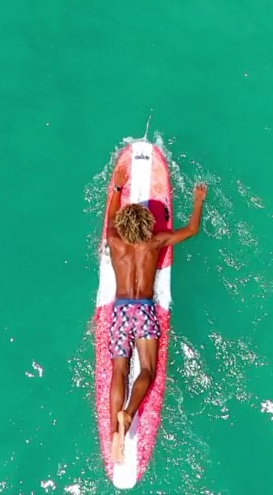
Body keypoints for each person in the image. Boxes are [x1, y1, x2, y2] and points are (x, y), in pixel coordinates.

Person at [104, 166, 207, 464]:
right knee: (147, 370)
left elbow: (110, 219)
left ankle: (115, 431)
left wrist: (118, 190)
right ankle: (129, 413)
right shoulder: (155, 242)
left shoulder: (113, 239)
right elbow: (191, 231)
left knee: (119, 370)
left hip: (121, 311)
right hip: (144, 311)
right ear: (148, 226)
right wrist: (198, 201)